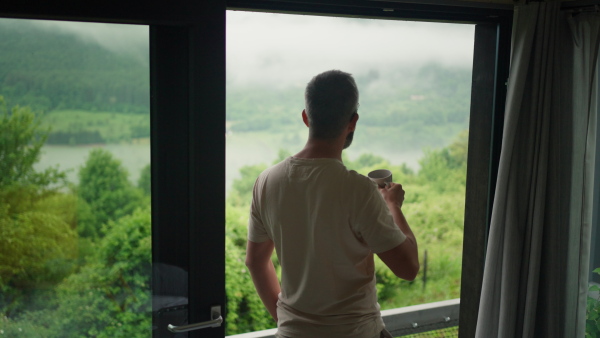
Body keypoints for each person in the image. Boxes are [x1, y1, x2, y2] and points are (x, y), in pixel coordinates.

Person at [245, 70, 419, 338]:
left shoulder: (267, 181)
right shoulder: (358, 189)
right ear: (353, 122)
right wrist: (393, 205)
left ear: (306, 117)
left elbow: (256, 262)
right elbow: (408, 268)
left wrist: (289, 321)